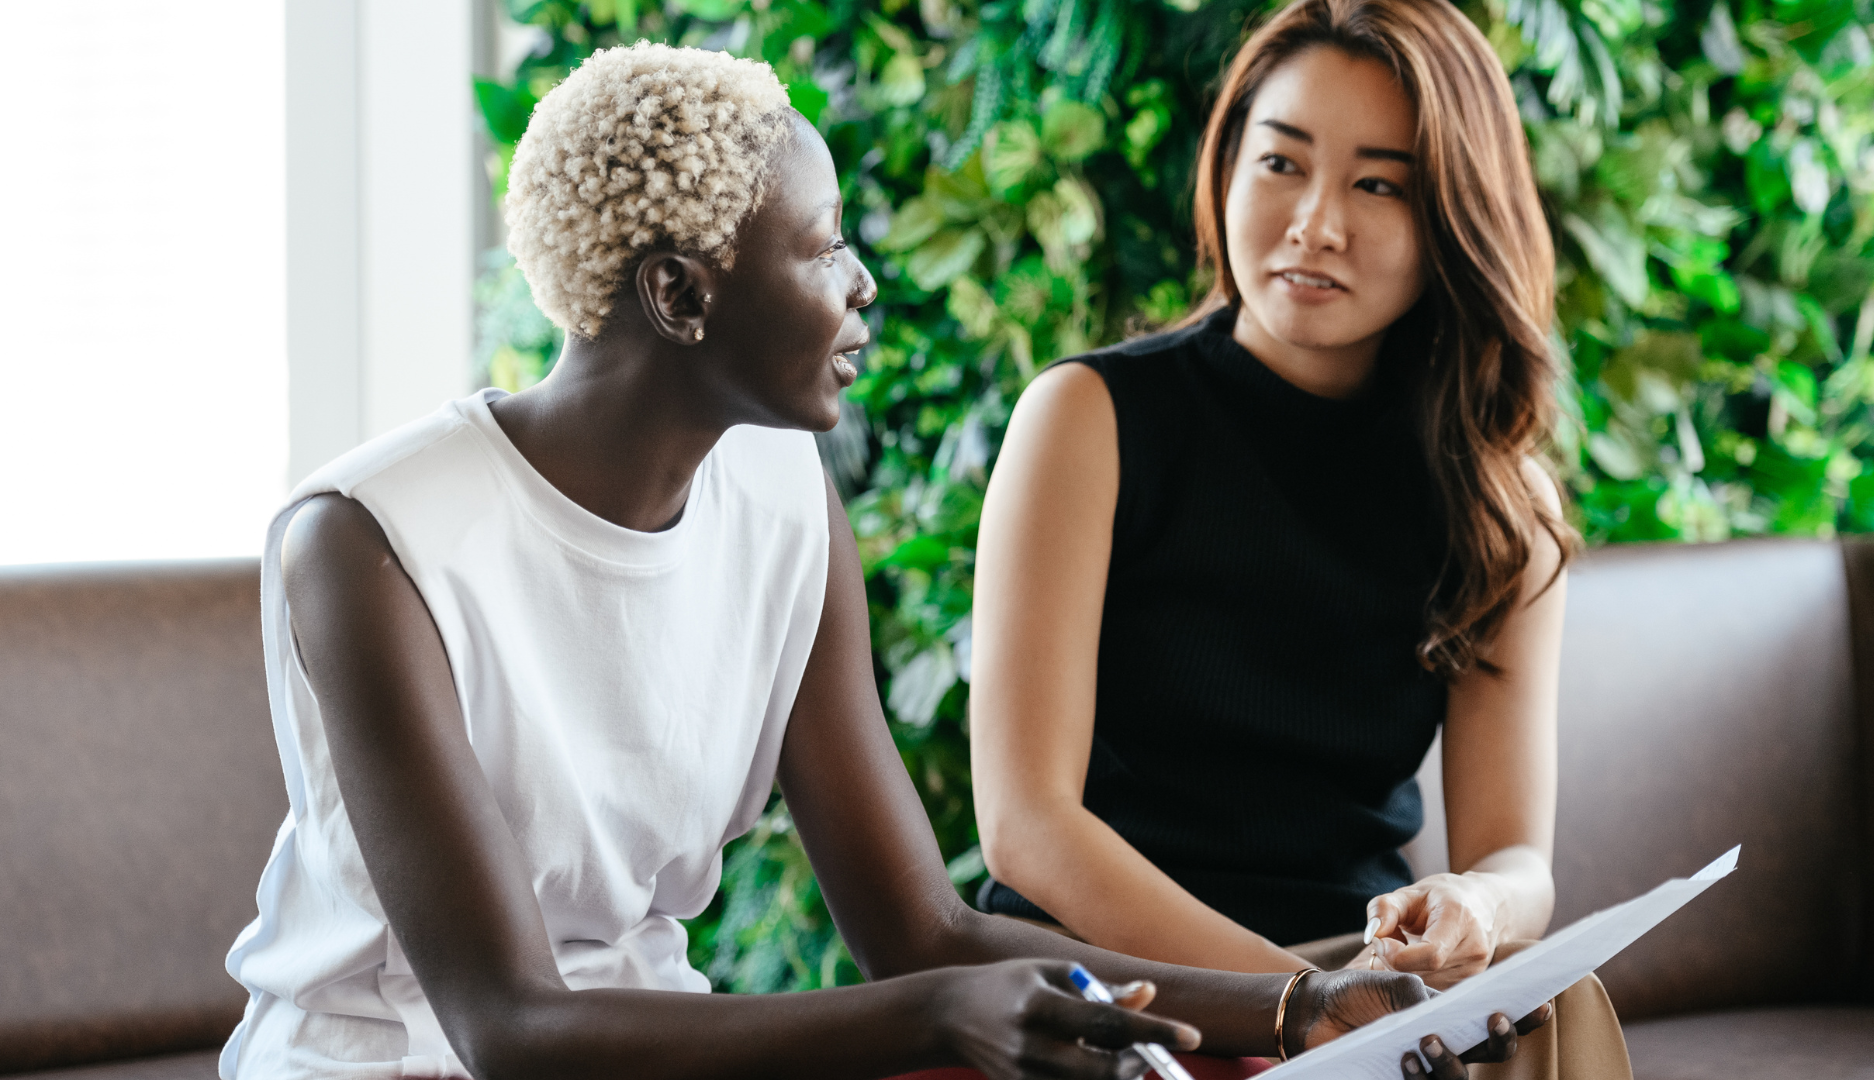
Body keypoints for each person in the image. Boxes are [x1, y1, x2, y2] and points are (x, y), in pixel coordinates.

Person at [218, 41, 1540, 1080]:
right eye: (824, 244)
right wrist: (929, 1023)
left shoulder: (784, 500)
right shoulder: (369, 543)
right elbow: (512, 1029)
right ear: (681, 295)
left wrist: (1300, 1009)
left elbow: (925, 930)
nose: (863, 287)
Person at [968, 0, 1631, 1075]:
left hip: (1351, 982)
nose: (1315, 222)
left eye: (1378, 184)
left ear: (1453, 219)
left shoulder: (1498, 501)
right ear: (1227, 169)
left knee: (1557, 1005)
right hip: (1121, 977)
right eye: (1281, 163)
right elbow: (1028, 828)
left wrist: (1476, 903)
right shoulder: (1089, 420)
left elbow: (1519, 858)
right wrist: (1298, 1003)